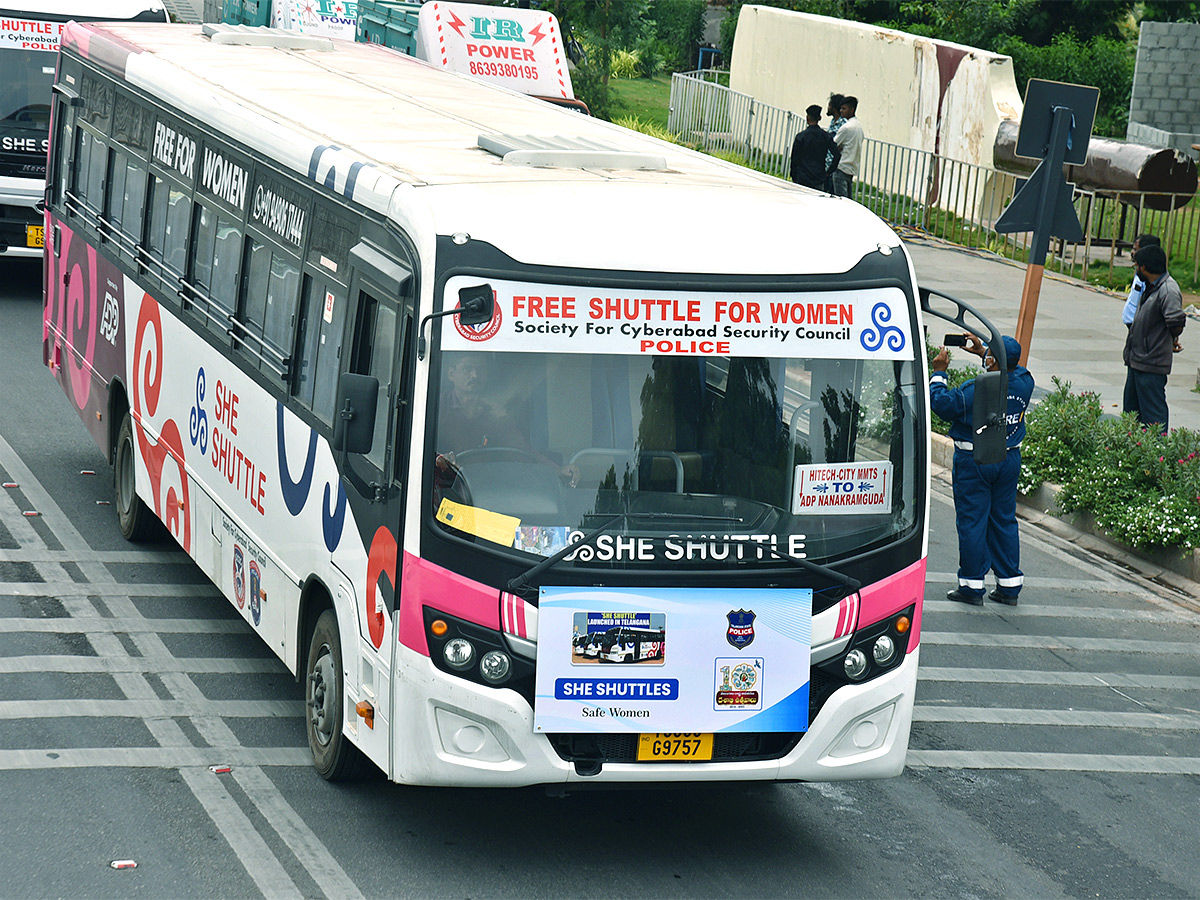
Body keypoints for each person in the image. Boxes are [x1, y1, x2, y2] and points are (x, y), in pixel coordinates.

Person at [930, 334, 1035, 606]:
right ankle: (1009, 586)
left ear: (993, 360)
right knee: (1003, 520)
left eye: (989, 354)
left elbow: (942, 404)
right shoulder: (1025, 382)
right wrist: (984, 353)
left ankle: (971, 586)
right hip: (1008, 459)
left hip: (974, 461)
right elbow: (1007, 366)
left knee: (973, 522)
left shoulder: (974, 390)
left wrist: (939, 373)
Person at [436, 353, 579, 484]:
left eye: (481, 369)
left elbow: (522, 451)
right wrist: (440, 459)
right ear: (451, 374)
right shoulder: (437, 407)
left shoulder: (495, 413)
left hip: (481, 488)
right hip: (441, 486)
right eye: (467, 369)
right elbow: (419, 447)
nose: (475, 375)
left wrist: (558, 470)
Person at [1122, 243, 1186, 433]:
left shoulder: (1168, 290)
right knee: (1132, 415)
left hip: (1151, 363)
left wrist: (1171, 339)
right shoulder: (1150, 286)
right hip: (1137, 360)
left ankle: (1156, 456)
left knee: (1153, 418)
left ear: (1144, 267)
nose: (1136, 269)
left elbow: (1176, 321)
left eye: (1137, 265)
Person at [790, 104, 839, 190]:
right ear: (819, 118)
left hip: (802, 177)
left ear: (807, 118)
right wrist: (828, 172)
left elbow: (794, 159)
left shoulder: (801, 137)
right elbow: (837, 155)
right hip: (818, 177)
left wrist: (794, 175)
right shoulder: (826, 136)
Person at [1121, 234, 1160, 326]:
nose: (1132, 252)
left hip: (1140, 325)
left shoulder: (1148, 276)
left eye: (1135, 249)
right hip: (1133, 323)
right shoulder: (1139, 272)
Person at [830, 95, 863, 199]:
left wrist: (839, 148)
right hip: (851, 169)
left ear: (852, 109)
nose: (841, 111)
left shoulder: (846, 128)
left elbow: (833, 145)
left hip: (841, 167)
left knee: (841, 201)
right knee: (848, 200)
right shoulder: (859, 127)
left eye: (844, 108)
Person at [823, 93, 846, 193]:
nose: (828, 108)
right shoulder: (833, 122)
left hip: (835, 167)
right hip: (827, 166)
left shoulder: (843, 124)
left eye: (829, 105)